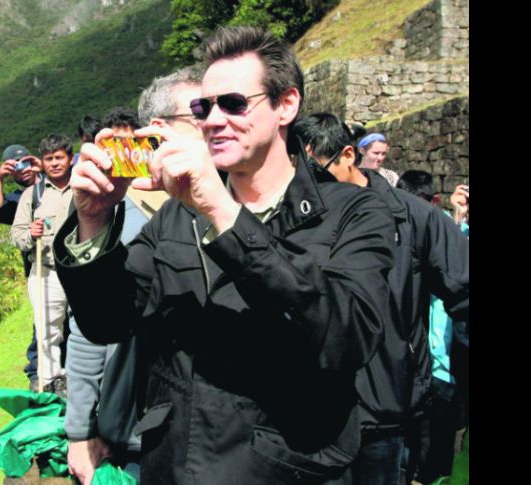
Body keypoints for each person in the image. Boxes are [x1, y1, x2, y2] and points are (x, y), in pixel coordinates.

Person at [54, 26, 397, 484]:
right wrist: (93, 223)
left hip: (283, 470)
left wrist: (222, 210)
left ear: (286, 105)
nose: (213, 120)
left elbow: (346, 338)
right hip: (174, 464)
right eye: (203, 107)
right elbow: (108, 321)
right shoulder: (177, 217)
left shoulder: (353, 212)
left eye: (234, 103)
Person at [292, 113, 469, 485]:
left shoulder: (414, 217)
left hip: (385, 402)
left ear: (347, 155)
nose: (311, 185)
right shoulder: (295, 214)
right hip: (307, 406)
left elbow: (463, 288)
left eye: (318, 172)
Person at [64, 67, 203, 485]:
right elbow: (88, 329)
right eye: (202, 113)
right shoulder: (120, 215)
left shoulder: (223, 205)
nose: (218, 123)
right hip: (140, 430)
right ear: (159, 131)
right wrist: (79, 430)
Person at [395, 171, 469, 484]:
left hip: (443, 367)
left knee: (433, 454)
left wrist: (458, 217)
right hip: (422, 365)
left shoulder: (444, 234)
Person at [11, 133, 75, 395]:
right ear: (42, 162)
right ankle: (52, 381)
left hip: (82, 271)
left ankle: (79, 377)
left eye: (60, 157)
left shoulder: (83, 185)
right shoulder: (32, 195)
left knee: (84, 327)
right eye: (49, 159)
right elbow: (17, 235)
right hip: (46, 273)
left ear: (70, 159)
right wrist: (31, 235)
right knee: (48, 331)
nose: (55, 163)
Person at [0, 144, 42, 391]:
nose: (24, 170)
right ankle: (37, 372)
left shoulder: (54, 183)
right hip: (39, 267)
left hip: (69, 260)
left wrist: (45, 168)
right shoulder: (17, 201)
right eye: (17, 167)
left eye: (27, 163)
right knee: (43, 320)